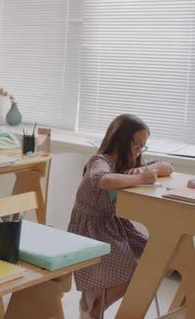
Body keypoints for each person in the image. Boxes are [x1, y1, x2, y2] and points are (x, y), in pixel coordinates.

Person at [67, 114, 173, 318]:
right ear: (120, 139)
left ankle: (95, 298)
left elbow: (166, 166)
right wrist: (141, 177)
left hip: (115, 224)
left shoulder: (129, 164)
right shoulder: (100, 160)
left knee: (161, 260)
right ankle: (96, 304)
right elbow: (103, 180)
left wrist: (144, 168)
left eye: (143, 145)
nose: (139, 149)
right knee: (136, 268)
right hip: (91, 227)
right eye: (136, 143)